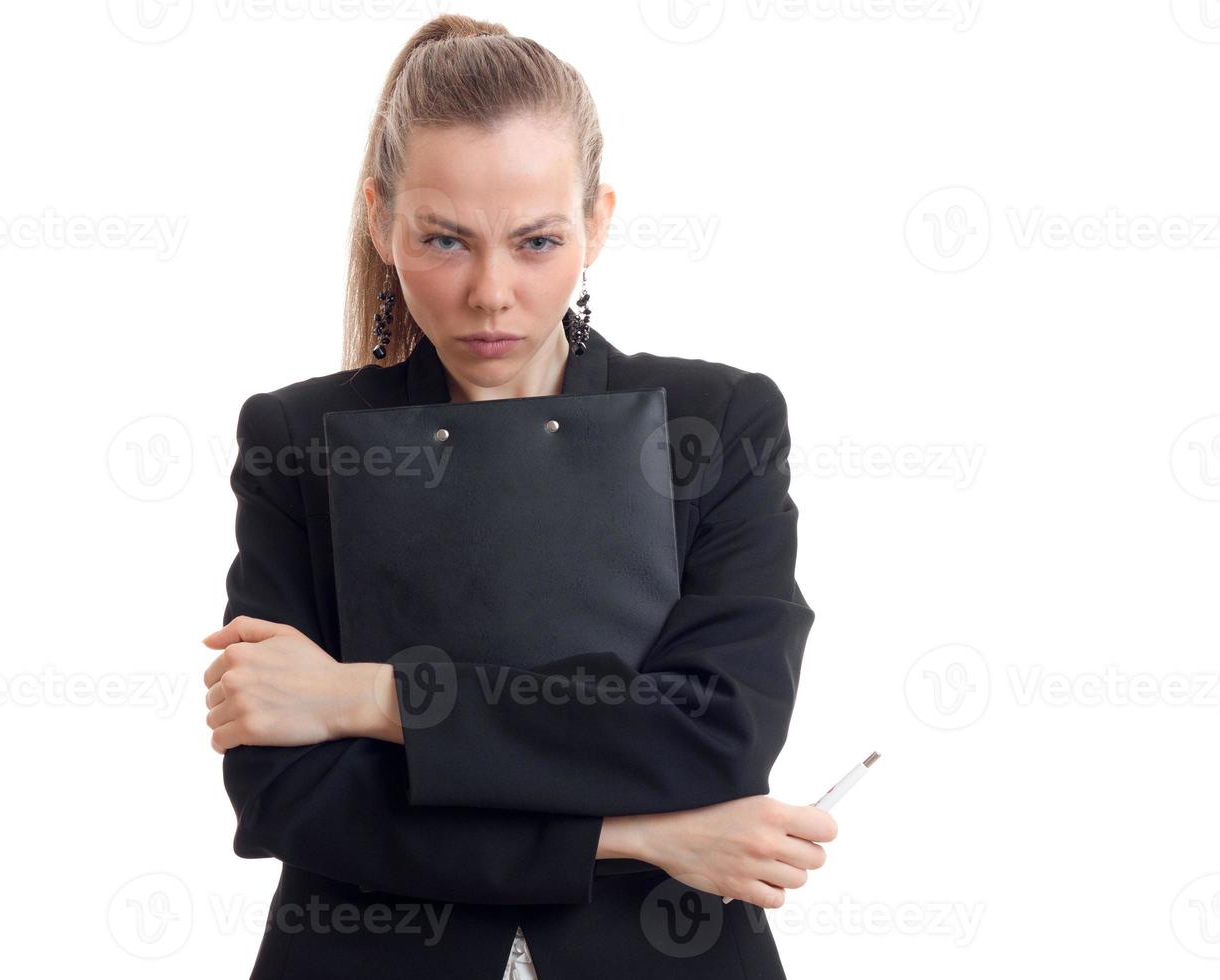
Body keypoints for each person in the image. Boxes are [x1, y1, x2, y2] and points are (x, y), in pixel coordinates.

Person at [202, 14, 837, 979]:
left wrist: (370, 696)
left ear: (600, 220)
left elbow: (711, 731)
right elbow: (292, 796)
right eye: (444, 240)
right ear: (381, 220)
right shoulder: (298, 440)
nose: (491, 293)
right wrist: (639, 837)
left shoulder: (719, 422)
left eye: (537, 241)